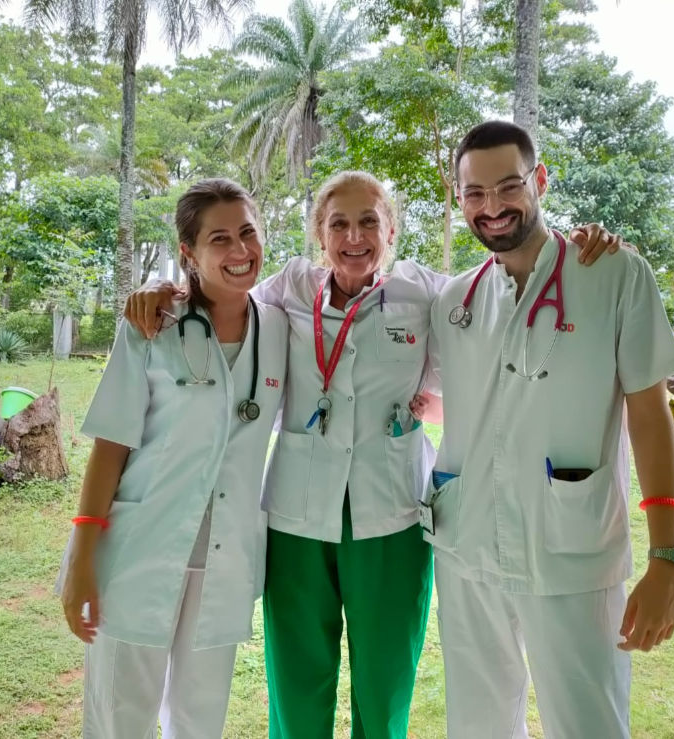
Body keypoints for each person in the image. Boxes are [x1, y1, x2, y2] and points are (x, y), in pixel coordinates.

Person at [124, 171, 624, 738]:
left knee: (384, 690)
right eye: (338, 223)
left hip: (392, 518)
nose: (354, 236)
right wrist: (166, 288)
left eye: (369, 222)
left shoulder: (427, 293)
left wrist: (571, 251)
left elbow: (503, 293)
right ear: (319, 233)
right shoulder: (288, 288)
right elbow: (221, 297)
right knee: (297, 688)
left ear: (391, 231)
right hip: (296, 520)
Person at [424, 120, 674, 739]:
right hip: (467, 549)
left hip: (570, 551)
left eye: (509, 186)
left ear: (539, 180)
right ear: (458, 198)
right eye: (474, 193)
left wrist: (667, 558)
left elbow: (650, 416)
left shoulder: (613, 274)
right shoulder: (454, 301)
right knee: (478, 727)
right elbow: (449, 401)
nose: (492, 207)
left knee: (589, 724)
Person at [57, 178, 288, 739]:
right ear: (188, 253)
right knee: (119, 718)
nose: (239, 250)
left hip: (224, 560)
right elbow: (111, 445)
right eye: (219, 239)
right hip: (139, 550)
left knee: (199, 719)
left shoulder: (282, 327)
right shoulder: (151, 325)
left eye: (248, 233)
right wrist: (81, 560)